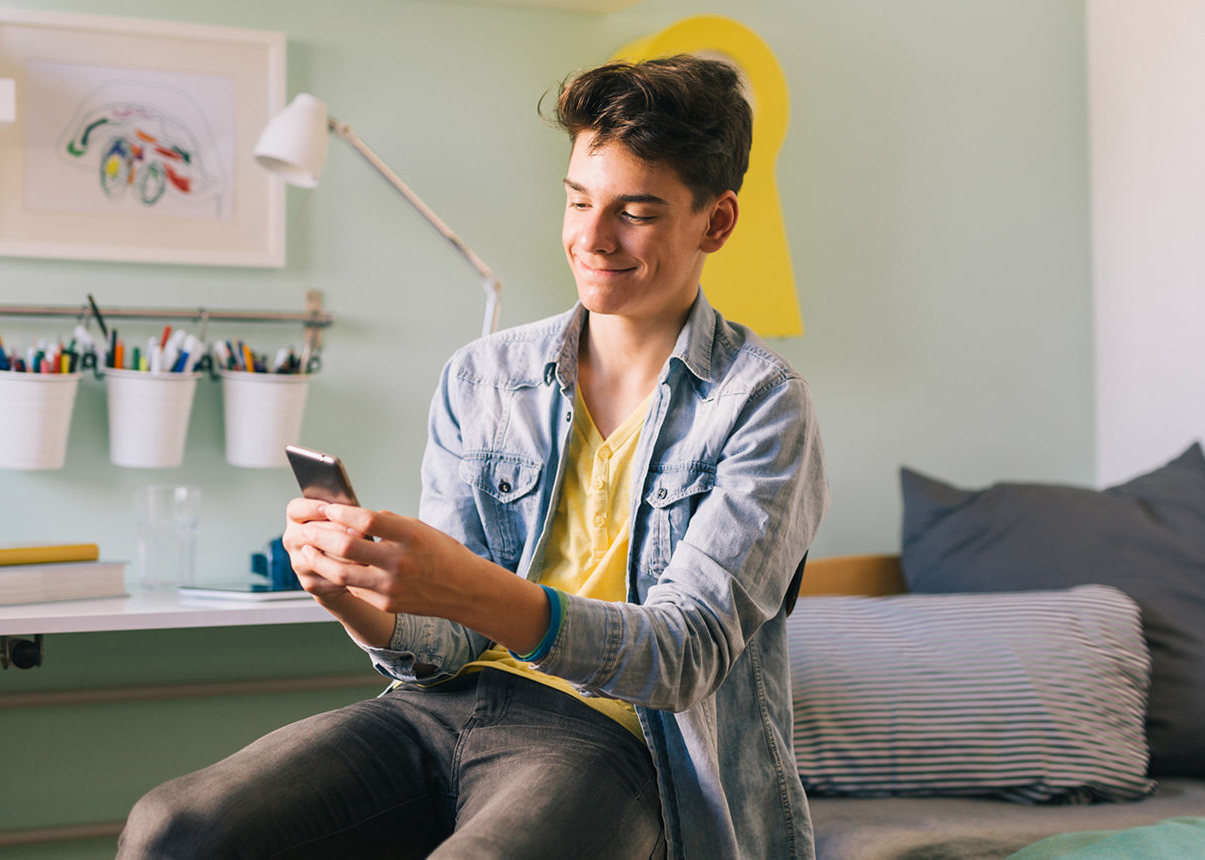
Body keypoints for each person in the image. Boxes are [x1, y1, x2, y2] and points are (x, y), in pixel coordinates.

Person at [119, 54, 828, 860]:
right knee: (172, 828)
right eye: (578, 201)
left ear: (717, 222)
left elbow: (683, 656)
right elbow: (444, 642)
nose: (591, 238)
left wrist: (474, 589)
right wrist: (354, 595)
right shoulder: (485, 377)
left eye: (635, 212)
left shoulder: (762, 405)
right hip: (441, 708)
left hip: (616, 743)